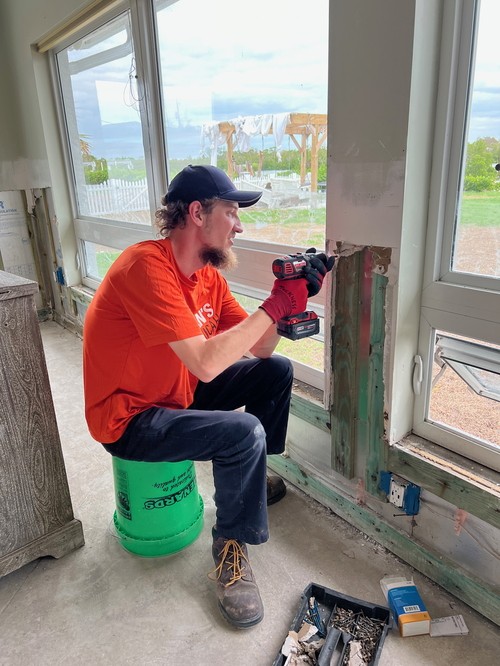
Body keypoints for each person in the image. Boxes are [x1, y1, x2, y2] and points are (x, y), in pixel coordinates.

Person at [82, 164, 333, 629]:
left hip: (176, 393)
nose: (239, 226)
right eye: (232, 213)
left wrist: (291, 300)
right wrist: (274, 305)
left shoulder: (208, 277)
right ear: (197, 213)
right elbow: (206, 363)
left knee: (275, 371)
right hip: (129, 419)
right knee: (242, 432)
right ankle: (230, 548)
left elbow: (260, 348)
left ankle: (250, 482)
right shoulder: (145, 267)